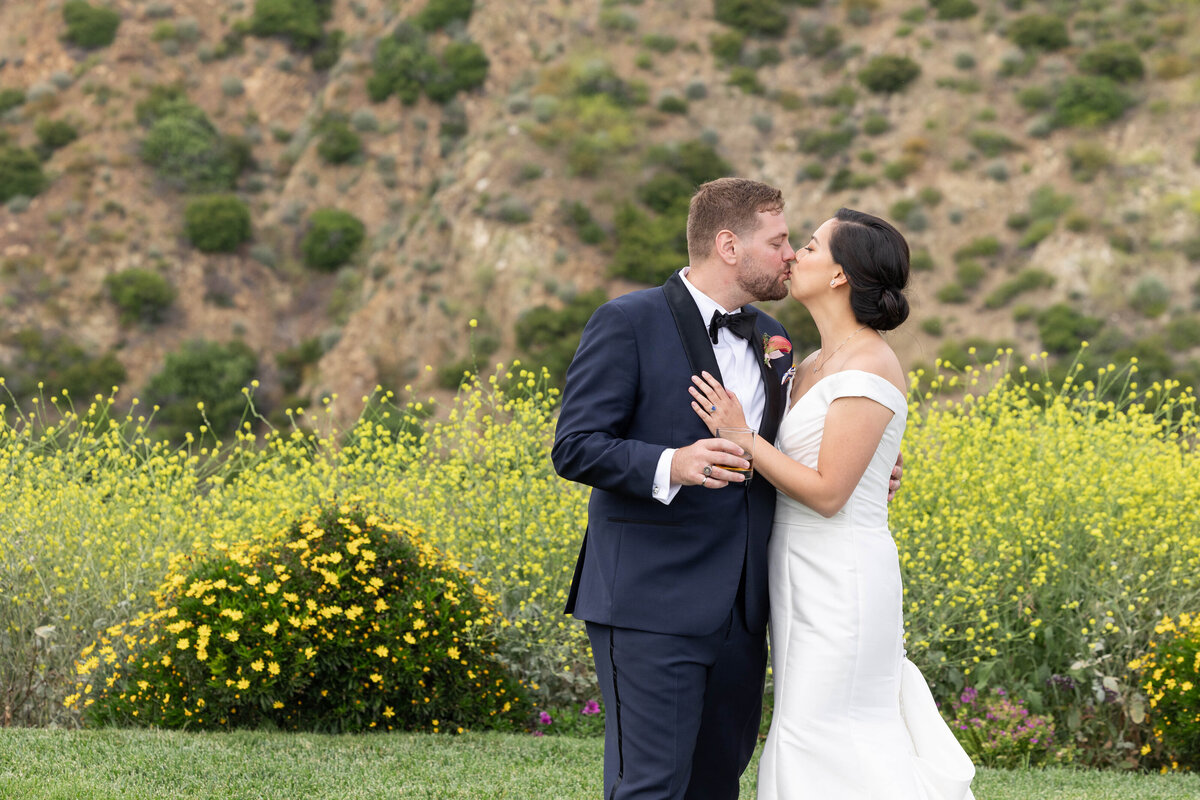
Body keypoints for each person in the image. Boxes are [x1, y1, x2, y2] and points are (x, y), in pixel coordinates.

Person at [688, 208, 975, 800]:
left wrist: (744, 439)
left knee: (831, 728)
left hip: (842, 575)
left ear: (841, 274)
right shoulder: (805, 365)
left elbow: (827, 492)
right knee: (806, 724)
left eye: (811, 246)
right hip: (795, 574)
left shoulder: (871, 361)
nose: (794, 255)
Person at [551, 178, 797, 799]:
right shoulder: (627, 320)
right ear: (728, 245)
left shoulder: (774, 338)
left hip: (743, 613)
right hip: (648, 604)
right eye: (780, 241)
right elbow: (574, 445)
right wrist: (672, 464)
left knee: (717, 786)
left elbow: (778, 453)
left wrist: (867, 471)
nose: (791, 254)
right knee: (650, 788)